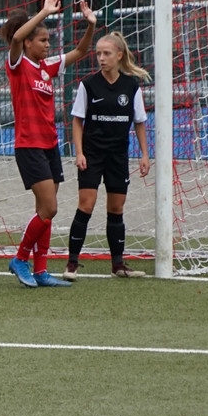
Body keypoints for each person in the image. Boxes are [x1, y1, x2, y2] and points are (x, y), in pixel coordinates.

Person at [1, 0, 96, 288]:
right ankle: (20, 259)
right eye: (42, 40)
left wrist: (91, 24)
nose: (47, 45)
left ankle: (41, 270)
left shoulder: (47, 66)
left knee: (45, 210)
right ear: (29, 43)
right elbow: (17, 37)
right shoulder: (18, 63)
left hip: (50, 145)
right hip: (29, 145)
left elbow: (80, 51)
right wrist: (43, 13)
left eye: (48, 41)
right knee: (50, 208)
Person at [65, 31, 150, 280]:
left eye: (106, 53)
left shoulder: (131, 86)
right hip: (92, 155)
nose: (101, 58)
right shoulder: (88, 85)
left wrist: (145, 154)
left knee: (116, 207)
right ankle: (71, 263)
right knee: (86, 205)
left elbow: (140, 122)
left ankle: (118, 265)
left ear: (119, 55)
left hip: (118, 156)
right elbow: (77, 120)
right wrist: (79, 152)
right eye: (98, 53)